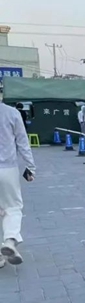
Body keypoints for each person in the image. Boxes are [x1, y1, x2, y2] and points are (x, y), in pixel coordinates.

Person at [0, 102, 36, 268]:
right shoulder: (11, 113)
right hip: (7, 168)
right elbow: (22, 141)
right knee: (13, 207)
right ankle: (10, 240)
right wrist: (30, 166)